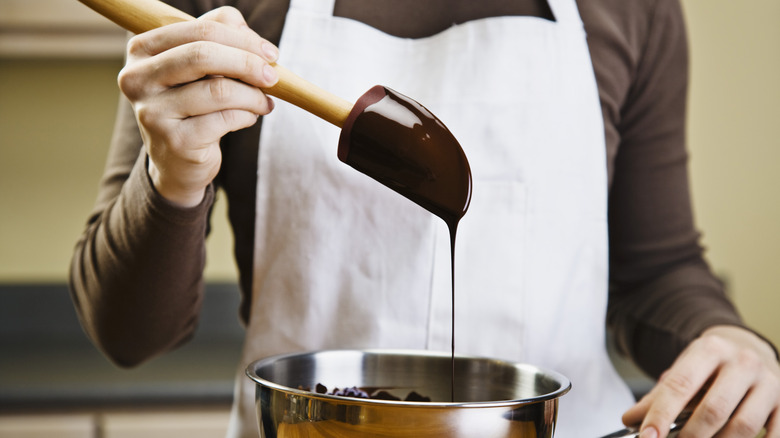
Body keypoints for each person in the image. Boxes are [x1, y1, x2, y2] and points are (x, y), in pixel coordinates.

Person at [69, 0, 780, 437]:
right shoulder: (217, 16)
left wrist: (728, 341)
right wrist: (174, 175)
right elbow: (128, 335)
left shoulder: (631, 7)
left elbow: (656, 271)